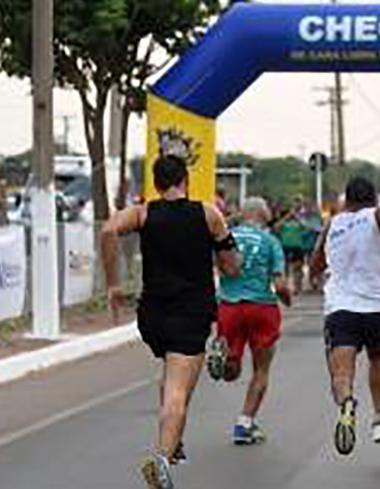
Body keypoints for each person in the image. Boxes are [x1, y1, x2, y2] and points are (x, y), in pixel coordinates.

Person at [101, 155, 241, 489]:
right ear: (185, 180)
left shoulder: (143, 212)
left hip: (152, 316)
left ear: (157, 183)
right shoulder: (208, 213)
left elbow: (108, 230)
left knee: (169, 375)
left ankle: (174, 441)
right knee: (178, 391)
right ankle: (162, 460)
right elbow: (231, 267)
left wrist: (113, 284)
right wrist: (225, 254)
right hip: (189, 313)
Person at [310, 177, 380, 456]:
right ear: (373, 198)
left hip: (340, 306)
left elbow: (315, 263)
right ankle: (379, 420)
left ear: (347, 199)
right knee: (377, 356)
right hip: (377, 306)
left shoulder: (333, 223)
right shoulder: (377, 213)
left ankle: (347, 402)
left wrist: (317, 271)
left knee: (341, 373)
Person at [206, 196, 292, 445]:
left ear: (242, 214)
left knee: (233, 371)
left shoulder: (226, 236)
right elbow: (279, 283)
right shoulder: (270, 241)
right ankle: (244, 424)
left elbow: (216, 266)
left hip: (229, 307)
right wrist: (286, 299)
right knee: (261, 370)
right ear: (264, 215)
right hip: (261, 308)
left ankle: (225, 362)